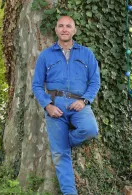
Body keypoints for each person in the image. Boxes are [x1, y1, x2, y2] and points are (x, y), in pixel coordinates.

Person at [32, 16, 100, 195]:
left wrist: (84, 100)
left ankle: (64, 142)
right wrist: (47, 106)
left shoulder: (86, 54)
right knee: (60, 156)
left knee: (90, 129)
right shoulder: (46, 55)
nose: (64, 29)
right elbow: (37, 85)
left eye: (68, 26)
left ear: (74, 30)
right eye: (61, 26)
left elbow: (95, 82)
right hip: (55, 105)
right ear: (56, 30)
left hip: (79, 104)